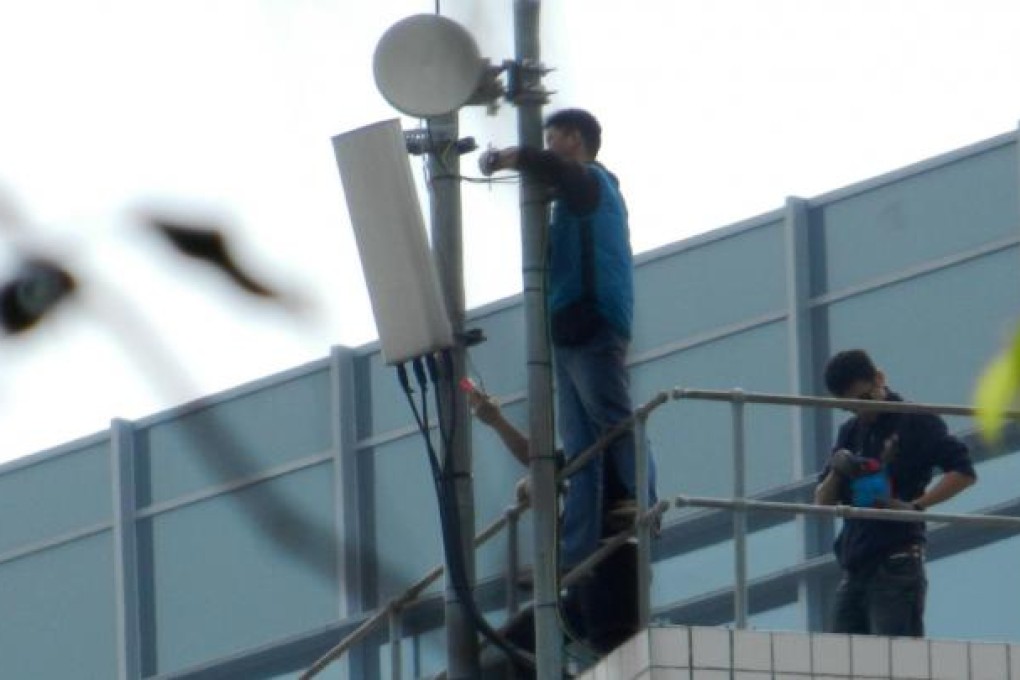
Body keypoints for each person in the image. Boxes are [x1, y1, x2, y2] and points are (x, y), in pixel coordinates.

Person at [478, 108, 641, 573]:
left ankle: (629, 495)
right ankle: (577, 553)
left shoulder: (593, 183)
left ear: (575, 138)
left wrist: (513, 157)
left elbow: (555, 169)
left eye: (554, 136)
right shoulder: (574, 197)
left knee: (610, 418)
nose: (549, 146)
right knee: (580, 441)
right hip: (572, 326)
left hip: (591, 319)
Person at [467, 387, 653, 658]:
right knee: (519, 639)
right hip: (592, 577)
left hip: (611, 572)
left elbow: (544, 463)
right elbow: (542, 462)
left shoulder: (614, 450)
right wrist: (496, 421)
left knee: (613, 652)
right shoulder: (596, 451)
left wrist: (497, 422)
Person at [814, 349, 976, 636]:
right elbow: (822, 503)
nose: (862, 412)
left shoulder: (916, 420)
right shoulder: (851, 432)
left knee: (892, 663)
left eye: (864, 400)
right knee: (836, 664)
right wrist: (838, 470)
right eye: (851, 407)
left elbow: (963, 472)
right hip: (855, 568)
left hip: (896, 563)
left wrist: (916, 506)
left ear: (879, 379)